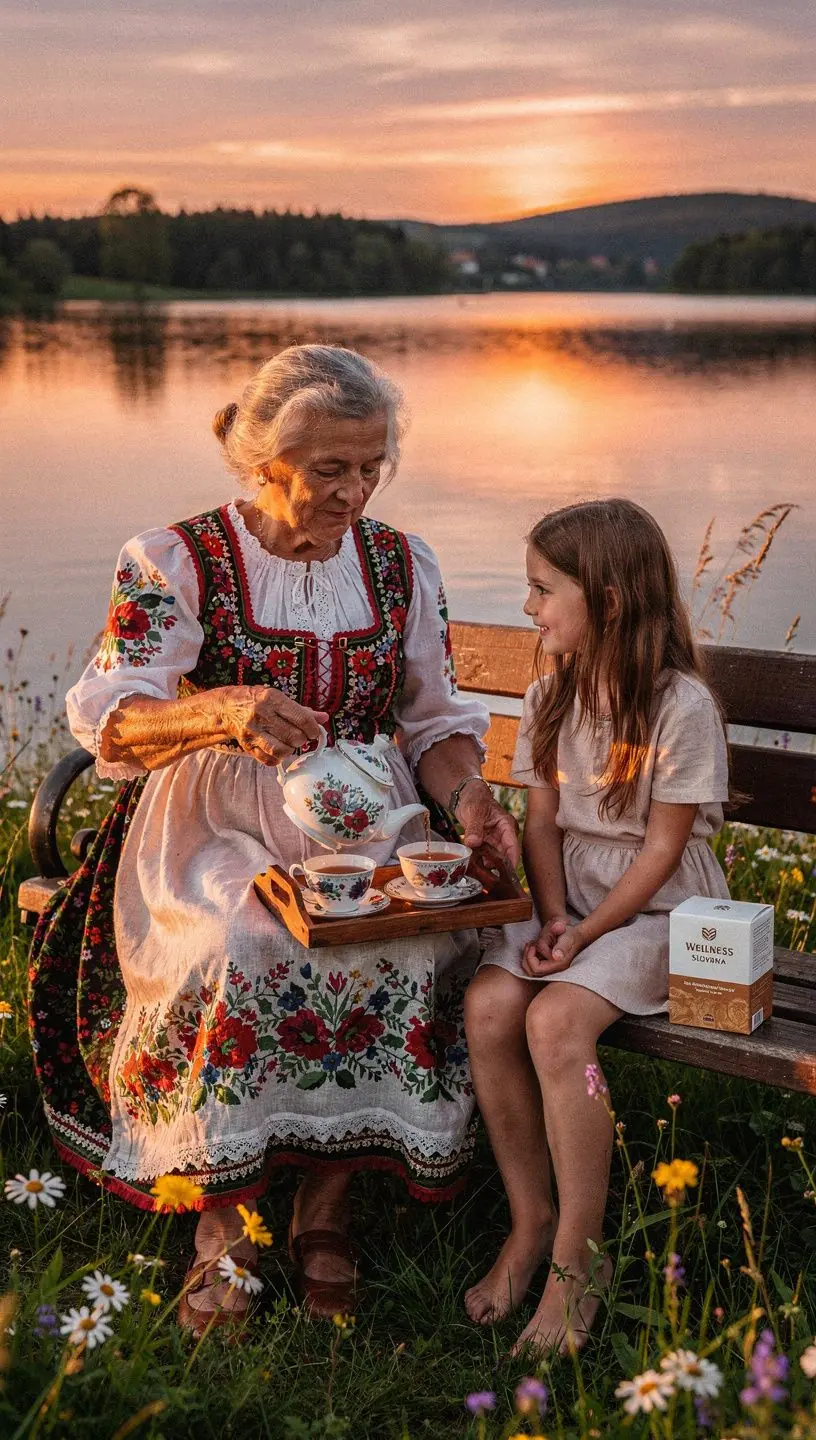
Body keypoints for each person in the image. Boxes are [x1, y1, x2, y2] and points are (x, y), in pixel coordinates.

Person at [29, 344, 518, 1334]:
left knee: (408, 932)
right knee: (241, 944)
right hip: (208, 824)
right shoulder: (176, 559)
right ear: (264, 466)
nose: (356, 489)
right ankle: (226, 1224)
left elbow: (434, 724)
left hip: (360, 819)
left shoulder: (399, 563)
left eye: (372, 464)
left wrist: (470, 800)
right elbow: (110, 724)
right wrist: (223, 710)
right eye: (330, 469)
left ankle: (323, 1215)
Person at [464, 498, 730, 1356]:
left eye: (544, 590)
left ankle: (583, 1264)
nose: (529, 608)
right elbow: (540, 824)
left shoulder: (680, 708)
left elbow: (660, 854)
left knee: (555, 1020)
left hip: (658, 912)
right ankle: (531, 1223)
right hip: (567, 903)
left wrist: (580, 935)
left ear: (607, 598)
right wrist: (551, 917)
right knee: (491, 1006)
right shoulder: (549, 695)